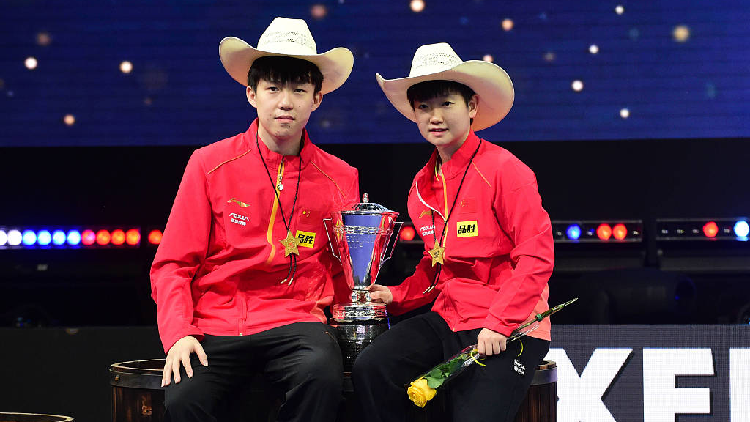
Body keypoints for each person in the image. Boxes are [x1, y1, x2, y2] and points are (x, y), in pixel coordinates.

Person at [150, 17, 360, 422]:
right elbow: (173, 265)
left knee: (321, 375)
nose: (285, 102)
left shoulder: (340, 176)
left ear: (317, 99)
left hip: (298, 320)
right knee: (183, 398)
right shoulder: (210, 164)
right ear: (251, 94)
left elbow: (342, 268)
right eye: (273, 89)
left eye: (299, 90)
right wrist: (178, 334)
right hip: (218, 321)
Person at [352, 42, 554, 422]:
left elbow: (536, 256)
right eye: (425, 107)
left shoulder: (504, 170)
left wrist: (501, 322)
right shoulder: (421, 186)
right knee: (373, 368)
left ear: (472, 106)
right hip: (449, 316)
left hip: (509, 325)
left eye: (447, 103)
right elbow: (436, 260)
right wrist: (396, 295)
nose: (435, 116)